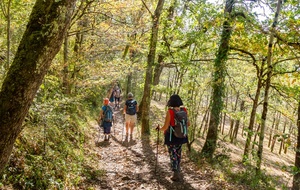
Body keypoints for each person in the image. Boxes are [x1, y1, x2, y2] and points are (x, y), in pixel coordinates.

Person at [156, 94, 189, 182]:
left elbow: (166, 127)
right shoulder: (184, 110)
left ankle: (175, 173)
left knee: (173, 154)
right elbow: (188, 124)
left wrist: (159, 129)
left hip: (171, 136)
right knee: (178, 153)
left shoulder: (170, 112)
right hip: (181, 136)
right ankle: (177, 169)